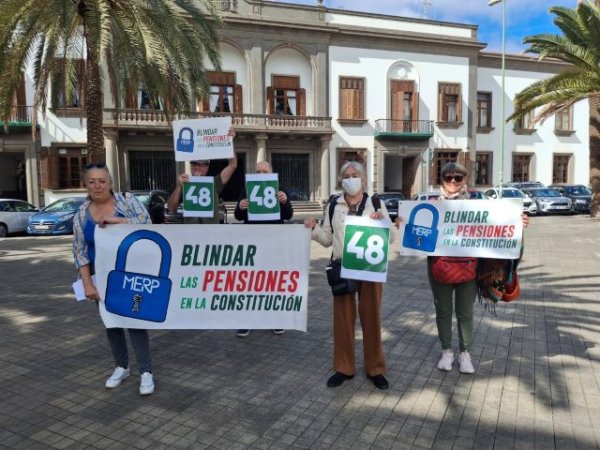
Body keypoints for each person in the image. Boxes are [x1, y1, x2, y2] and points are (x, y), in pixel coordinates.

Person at [401, 162, 528, 375]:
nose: (452, 181)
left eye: (457, 177)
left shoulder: (478, 203)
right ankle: (446, 351)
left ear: (464, 180)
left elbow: (499, 220)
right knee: (443, 311)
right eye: (448, 177)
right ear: (441, 180)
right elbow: (415, 231)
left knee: (465, 312)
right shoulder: (432, 204)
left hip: (469, 268)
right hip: (439, 267)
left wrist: (518, 221)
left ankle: (465, 353)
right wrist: (402, 221)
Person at [304, 161, 391, 390]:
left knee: (371, 318)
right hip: (343, 266)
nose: (350, 179)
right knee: (342, 320)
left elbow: (390, 237)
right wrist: (313, 228)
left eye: (354, 175)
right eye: (346, 175)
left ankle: (375, 368)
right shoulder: (334, 204)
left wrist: (380, 222)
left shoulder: (375, 202)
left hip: (370, 268)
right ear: (341, 180)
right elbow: (327, 239)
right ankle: (344, 368)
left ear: (363, 180)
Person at [72, 163, 156, 395]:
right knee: (112, 324)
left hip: (132, 275)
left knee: (135, 321)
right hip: (101, 279)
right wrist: (87, 283)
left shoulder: (127, 203)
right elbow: (80, 251)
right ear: (85, 185)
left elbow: (148, 227)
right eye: (92, 181)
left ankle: (146, 371)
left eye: (102, 180)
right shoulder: (81, 214)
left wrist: (118, 221)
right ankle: (122, 366)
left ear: (110, 183)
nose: (97, 185)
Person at [233, 160, 294, 338]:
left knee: (273, 283)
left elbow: (288, 215)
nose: (261, 175)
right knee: (249, 284)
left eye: (264, 171)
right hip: (252, 245)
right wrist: (240, 206)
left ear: (272, 173)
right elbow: (238, 216)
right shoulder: (246, 190)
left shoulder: (279, 191)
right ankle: (246, 321)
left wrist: (284, 201)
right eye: (258, 171)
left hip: (274, 245)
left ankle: (276, 319)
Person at [166, 156, 237, 224]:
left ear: (207, 167)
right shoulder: (185, 184)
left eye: (201, 165)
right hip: (191, 231)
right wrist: (179, 186)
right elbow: (171, 207)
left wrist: (228, 144)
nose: (197, 167)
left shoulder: (214, 182)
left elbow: (232, 165)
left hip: (211, 231)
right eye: (194, 164)